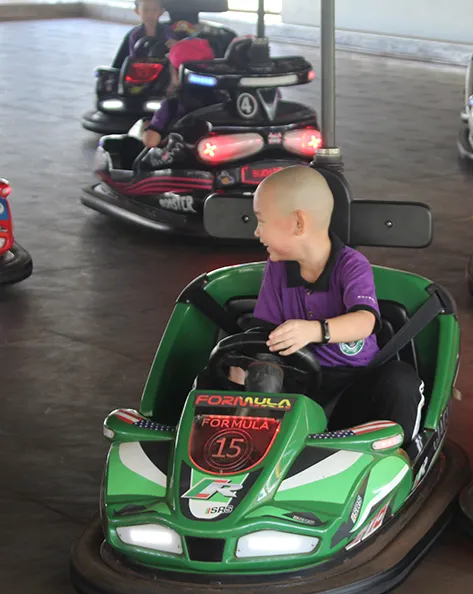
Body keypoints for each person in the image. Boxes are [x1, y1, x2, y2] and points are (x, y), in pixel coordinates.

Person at [232, 166, 424, 452]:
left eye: (261, 221)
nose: (256, 231)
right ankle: (247, 454)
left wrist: (314, 330)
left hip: (354, 386)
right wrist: (247, 370)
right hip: (301, 383)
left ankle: (398, 455)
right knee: (234, 375)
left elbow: (365, 321)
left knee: (400, 380)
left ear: (298, 223)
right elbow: (265, 330)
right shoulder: (278, 267)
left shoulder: (351, 265)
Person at [141, 37, 219, 148]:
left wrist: (146, 128)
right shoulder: (222, 99)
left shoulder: (172, 105)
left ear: (178, 73)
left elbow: (151, 142)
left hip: (182, 160)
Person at [112, 0, 177, 68]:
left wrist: (175, 45)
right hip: (139, 70)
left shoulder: (167, 31)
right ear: (137, 11)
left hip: (162, 69)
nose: (150, 14)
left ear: (161, 12)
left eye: (154, 10)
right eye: (146, 10)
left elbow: (174, 46)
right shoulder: (134, 34)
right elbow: (132, 58)